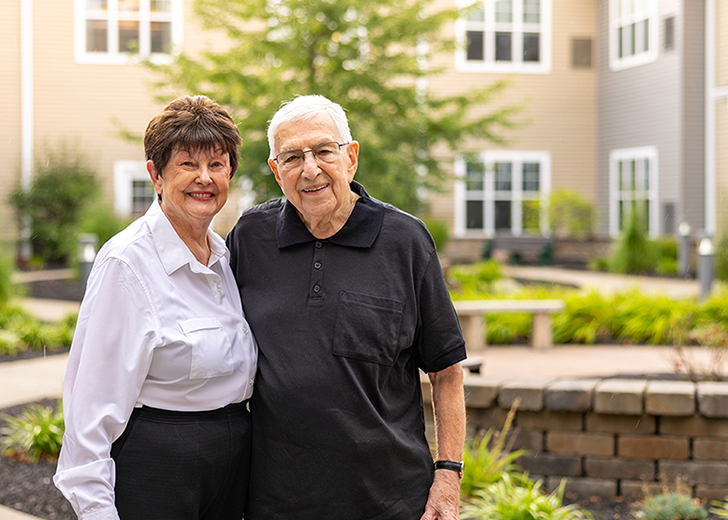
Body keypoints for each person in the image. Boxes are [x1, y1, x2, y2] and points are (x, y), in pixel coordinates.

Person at [225, 94, 467, 520]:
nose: (310, 169)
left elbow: (446, 373)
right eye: (293, 157)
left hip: (389, 501)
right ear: (276, 171)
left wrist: (448, 475)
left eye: (323, 151)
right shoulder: (250, 238)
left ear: (350, 157)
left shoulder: (405, 241)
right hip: (276, 502)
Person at [53, 95, 258, 520]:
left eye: (216, 165)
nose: (204, 178)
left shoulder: (225, 257)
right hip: (158, 466)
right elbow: (89, 409)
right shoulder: (127, 265)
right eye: (188, 164)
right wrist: (95, 510)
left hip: (232, 459)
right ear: (156, 175)